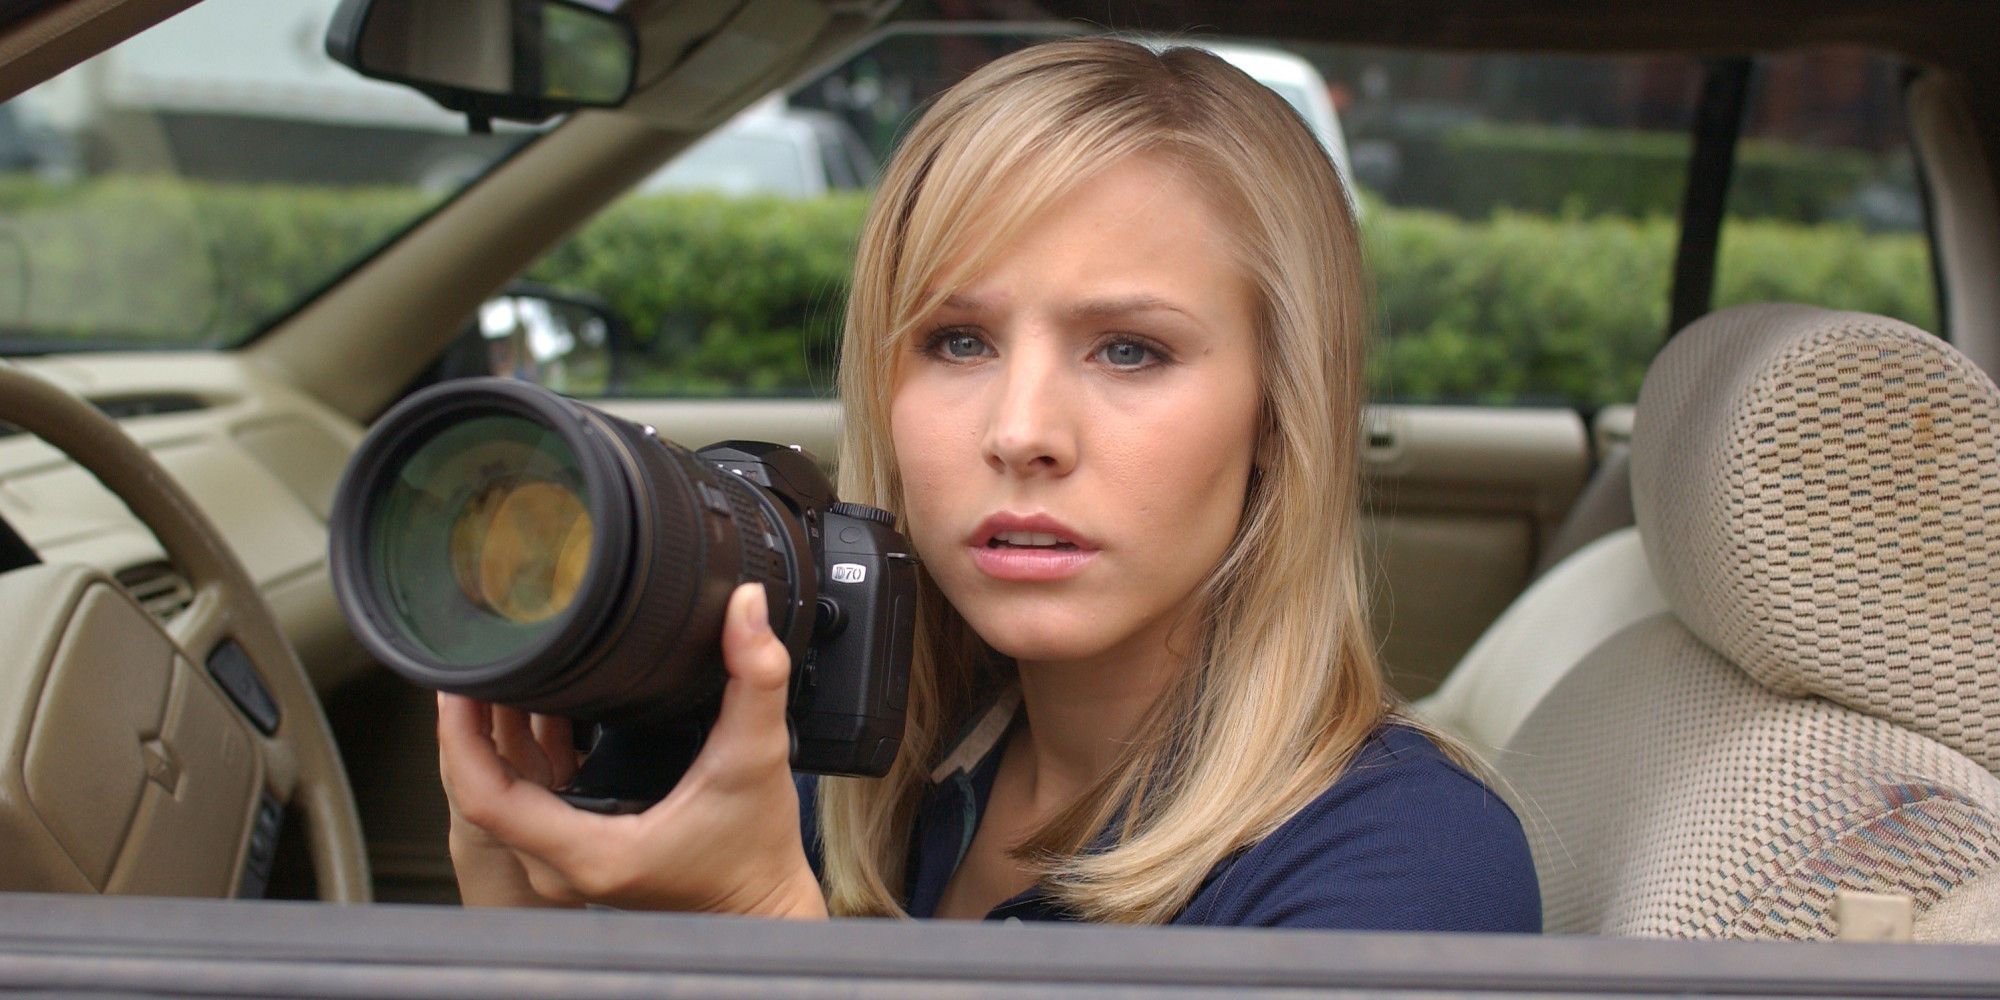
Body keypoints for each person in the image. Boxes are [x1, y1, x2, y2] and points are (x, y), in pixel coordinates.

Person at [436, 37, 1541, 929]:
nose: (1020, 433)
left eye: (1128, 350)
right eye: (957, 342)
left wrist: (763, 924)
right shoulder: (859, 776)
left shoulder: (1409, 867)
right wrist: (523, 927)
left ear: (1275, 414)